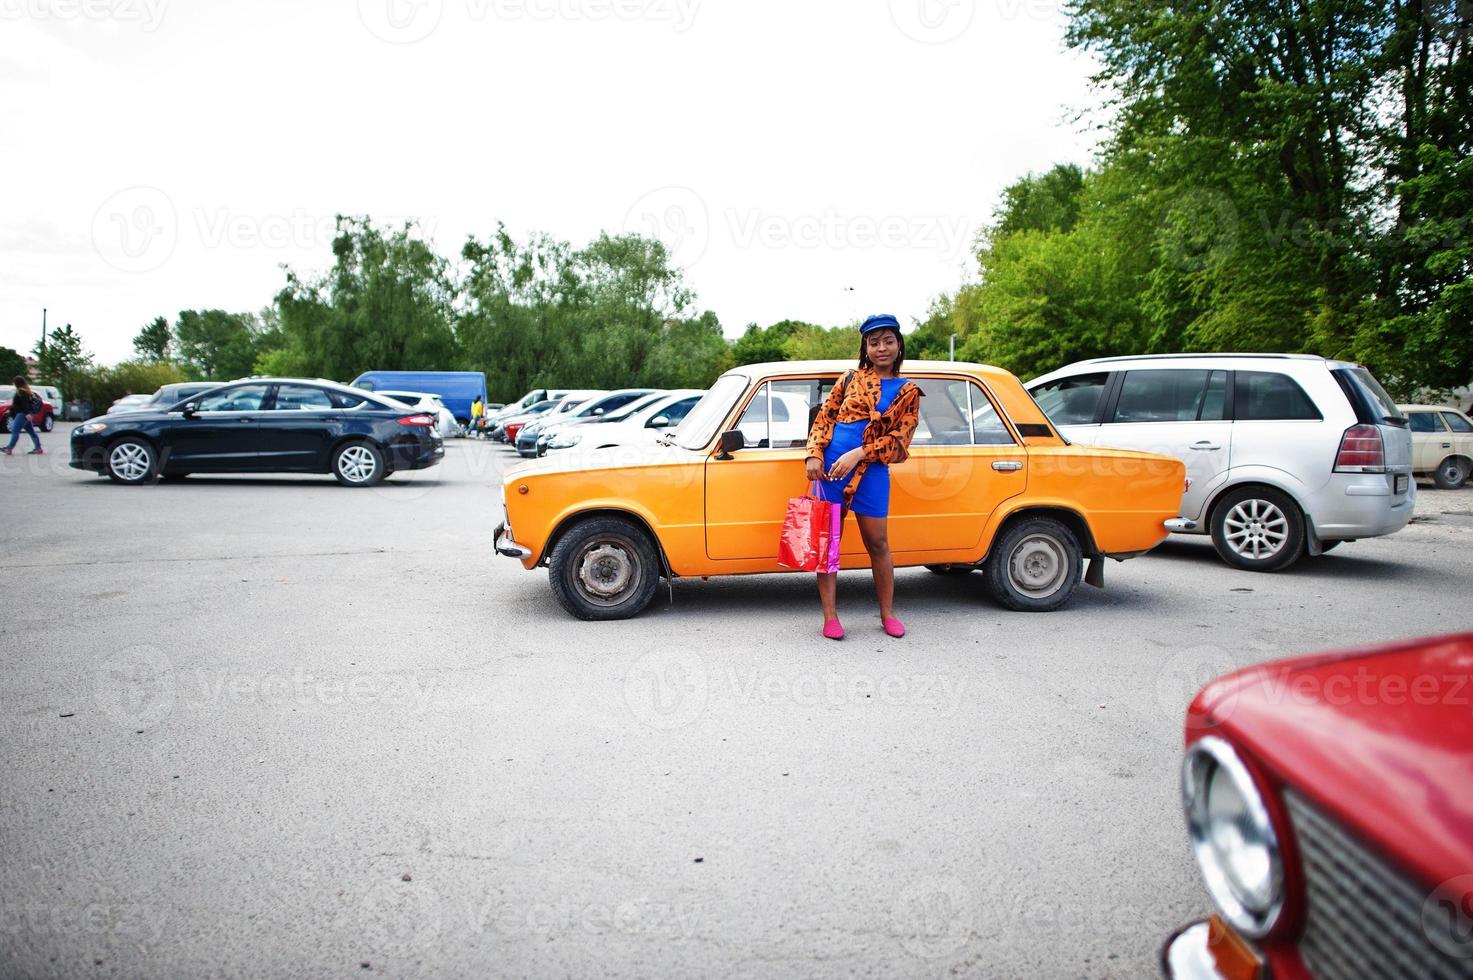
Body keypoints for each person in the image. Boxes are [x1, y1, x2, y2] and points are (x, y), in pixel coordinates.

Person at [803, 314, 922, 640]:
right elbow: (825, 419)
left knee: (879, 543)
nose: (881, 348)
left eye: (888, 341)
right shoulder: (850, 379)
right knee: (828, 545)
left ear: (898, 345)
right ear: (865, 348)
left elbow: (899, 443)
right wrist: (814, 453)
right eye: (874, 342)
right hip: (830, 471)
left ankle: (887, 613)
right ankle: (830, 617)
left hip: (871, 473)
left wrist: (858, 454)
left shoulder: (908, 392)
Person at [3, 376, 44, 456]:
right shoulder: (25, 391)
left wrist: (27, 413)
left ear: (17, 383)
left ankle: (9, 448)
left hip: (22, 414)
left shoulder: (21, 392)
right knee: (31, 431)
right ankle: (38, 448)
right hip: (25, 414)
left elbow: (24, 404)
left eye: (14, 382)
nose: (13, 384)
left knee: (15, 431)